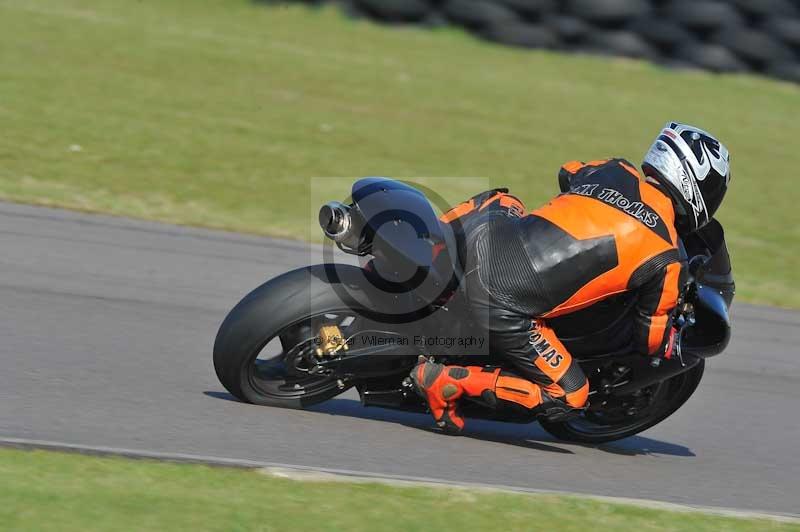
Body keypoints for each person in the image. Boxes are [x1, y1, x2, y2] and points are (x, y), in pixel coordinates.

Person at [411, 122, 731, 434]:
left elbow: (568, 172)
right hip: (502, 303)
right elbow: (651, 340)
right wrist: (677, 339)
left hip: (484, 240)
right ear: (698, 188)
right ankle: (445, 381)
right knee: (571, 395)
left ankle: (429, 247)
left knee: (508, 201)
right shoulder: (667, 257)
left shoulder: (614, 169)